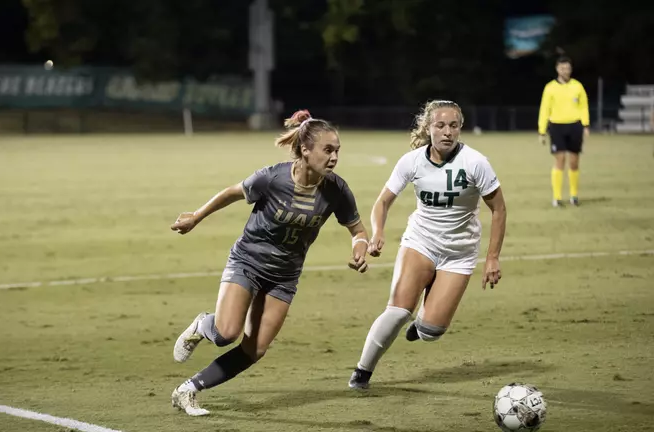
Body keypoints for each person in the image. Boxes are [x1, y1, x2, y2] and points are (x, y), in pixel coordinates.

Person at [169, 109, 371, 416]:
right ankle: (203, 324)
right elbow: (232, 193)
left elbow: (357, 229)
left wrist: (360, 248)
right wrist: (195, 217)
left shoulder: (337, 190)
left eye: (337, 151)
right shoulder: (273, 177)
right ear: (306, 150)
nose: (334, 157)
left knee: (255, 349)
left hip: (285, 277)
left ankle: (188, 390)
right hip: (248, 263)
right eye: (328, 150)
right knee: (225, 334)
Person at [348, 100, 507, 389]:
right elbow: (382, 202)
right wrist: (378, 232)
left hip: (459, 252)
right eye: (440, 125)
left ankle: (423, 322)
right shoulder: (412, 161)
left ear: (460, 128)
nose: (447, 132)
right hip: (420, 242)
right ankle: (362, 371)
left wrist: (492, 257)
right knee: (397, 310)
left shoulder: (476, 162)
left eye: (454, 126)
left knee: (432, 331)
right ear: (428, 128)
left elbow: (499, 208)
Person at [538, 56, 590, 207]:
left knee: (574, 162)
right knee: (560, 160)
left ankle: (574, 196)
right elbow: (544, 109)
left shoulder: (577, 86)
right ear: (557, 69)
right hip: (557, 127)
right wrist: (542, 131)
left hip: (575, 126)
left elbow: (583, 106)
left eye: (567, 68)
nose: (565, 70)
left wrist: (585, 125)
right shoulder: (550, 88)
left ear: (571, 69)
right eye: (562, 68)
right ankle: (557, 197)